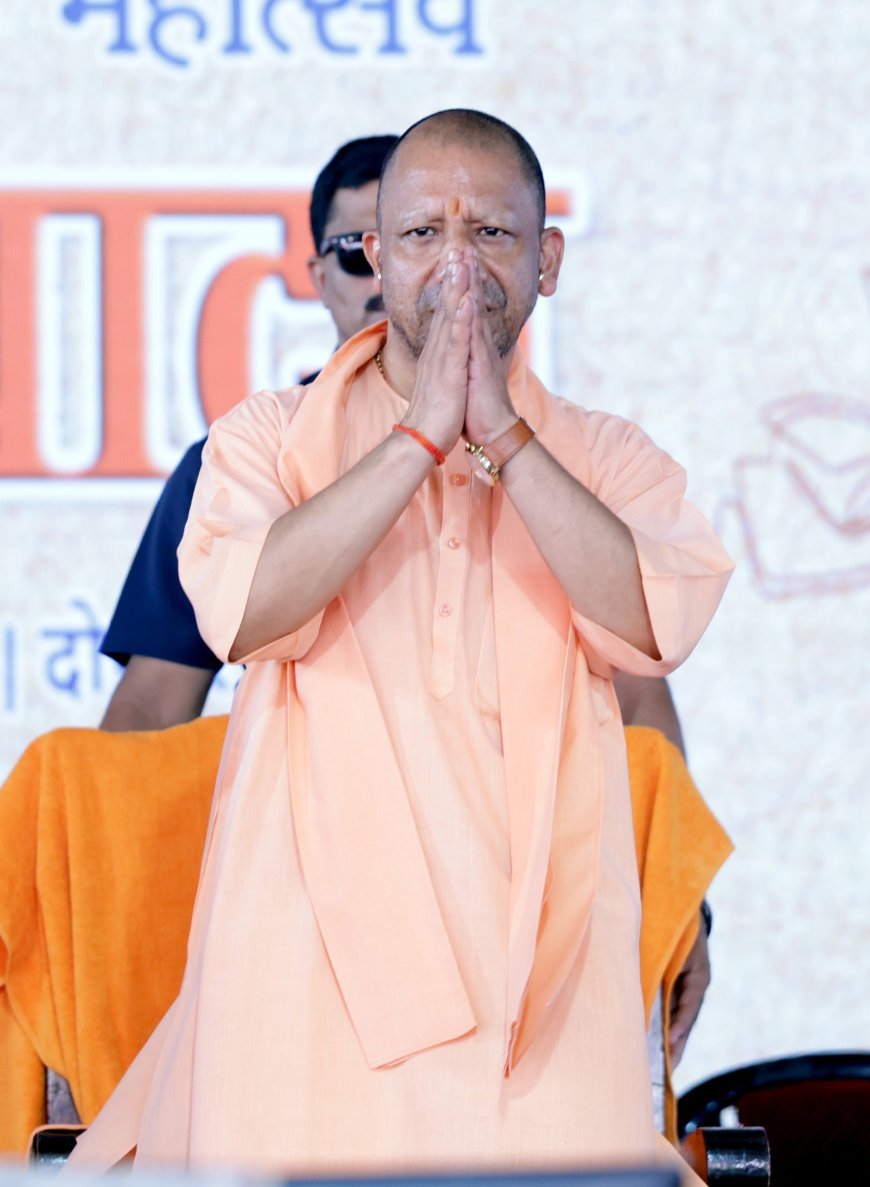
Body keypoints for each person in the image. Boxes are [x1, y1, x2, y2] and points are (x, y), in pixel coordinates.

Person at [70, 109, 732, 1176]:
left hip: (544, 989)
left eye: (491, 234)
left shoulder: (609, 456)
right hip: (306, 971)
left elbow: (655, 626)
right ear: (376, 256)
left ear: (547, 260)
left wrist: (503, 437)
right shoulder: (262, 441)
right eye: (424, 234)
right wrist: (420, 437)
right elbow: (243, 612)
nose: (457, 267)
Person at [98, 135, 399, 732]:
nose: (385, 275)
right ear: (319, 278)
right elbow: (152, 707)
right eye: (357, 252)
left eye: (414, 241)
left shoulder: (553, 445)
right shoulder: (239, 455)